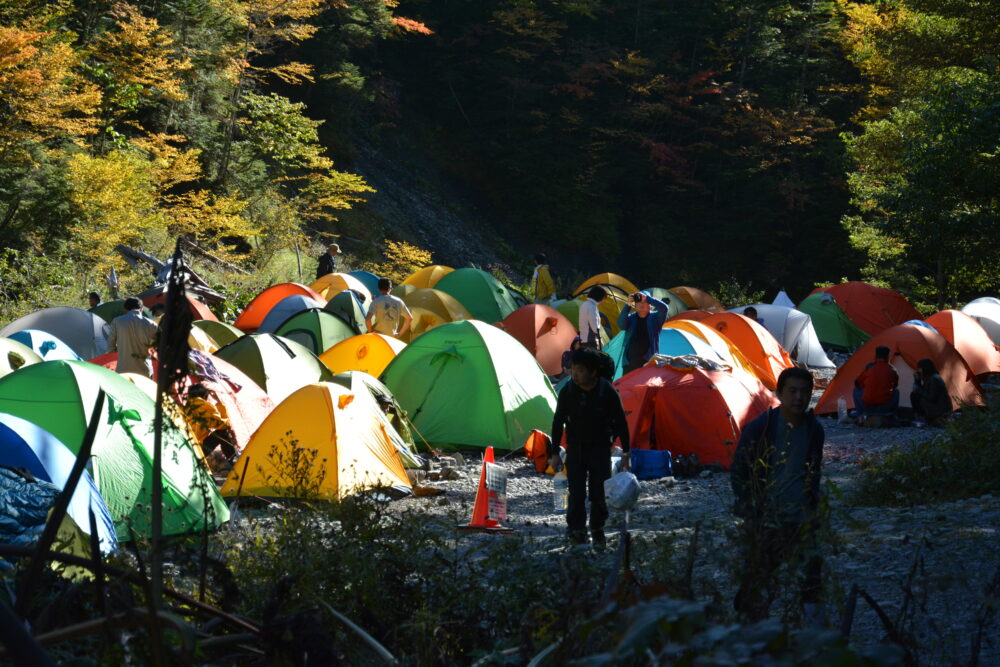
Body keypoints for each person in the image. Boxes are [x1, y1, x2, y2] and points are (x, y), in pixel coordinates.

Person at [731, 366, 825, 624]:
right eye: (792, 391)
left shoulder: (815, 430)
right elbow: (738, 469)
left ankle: (814, 634)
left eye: (804, 392)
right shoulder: (760, 428)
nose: (798, 397)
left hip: (801, 517)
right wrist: (750, 506)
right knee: (761, 577)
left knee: (811, 575)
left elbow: (813, 471)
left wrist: (814, 507)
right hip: (767, 518)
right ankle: (749, 630)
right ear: (780, 393)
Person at [549, 347, 631, 547]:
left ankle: (597, 528)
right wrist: (554, 453)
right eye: (573, 369)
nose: (575, 375)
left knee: (598, 492)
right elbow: (558, 421)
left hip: (600, 449)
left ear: (593, 372)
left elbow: (621, 422)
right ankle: (577, 530)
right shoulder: (568, 391)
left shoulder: (607, 391)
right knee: (576, 492)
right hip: (575, 448)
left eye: (580, 370)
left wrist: (627, 452)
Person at [616, 291, 670, 375]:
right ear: (635, 305)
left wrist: (647, 298)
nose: (641, 304)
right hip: (629, 362)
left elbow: (664, 308)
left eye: (645, 302)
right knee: (627, 387)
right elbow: (621, 325)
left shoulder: (656, 318)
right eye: (638, 302)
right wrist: (628, 305)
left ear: (650, 305)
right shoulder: (631, 318)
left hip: (648, 362)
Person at [182, 384, 236, 466]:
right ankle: (234, 461)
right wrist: (219, 403)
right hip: (195, 448)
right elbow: (223, 424)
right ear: (205, 395)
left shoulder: (187, 407)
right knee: (222, 432)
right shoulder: (202, 405)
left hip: (185, 445)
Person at [107, 297, 159, 377]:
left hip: (123, 370)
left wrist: (122, 352)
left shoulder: (117, 321)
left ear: (125, 309)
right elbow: (158, 348)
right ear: (141, 309)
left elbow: (110, 347)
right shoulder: (152, 324)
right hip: (145, 371)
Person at [853, 345, 899, 420]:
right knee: (896, 391)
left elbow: (857, 383)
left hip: (868, 407)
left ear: (875, 356)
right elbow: (895, 385)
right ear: (888, 356)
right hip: (885, 408)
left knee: (856, 389)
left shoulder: (869, 367)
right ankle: (892, 415)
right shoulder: (892, 370)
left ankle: (861, 414)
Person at [910, 358, 951, 426]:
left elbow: (932, 397)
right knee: (914, 395)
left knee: (916, 396)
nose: (919, 370)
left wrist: (918, 390)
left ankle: (923, 418)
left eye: (920, 368)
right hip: (935, 405)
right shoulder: (928, 377)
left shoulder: (934, 379)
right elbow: (924, 391)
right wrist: (917, 381)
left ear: (924, 368)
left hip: (940, 408)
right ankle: (921, 417)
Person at [579, 286, 606, 350]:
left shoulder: (584, 304)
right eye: (603, 297)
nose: (603, 300)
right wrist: (600, 340)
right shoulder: (592, 306)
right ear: (599, 296)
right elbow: (594, 326)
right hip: (591, 341)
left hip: (583, 339)